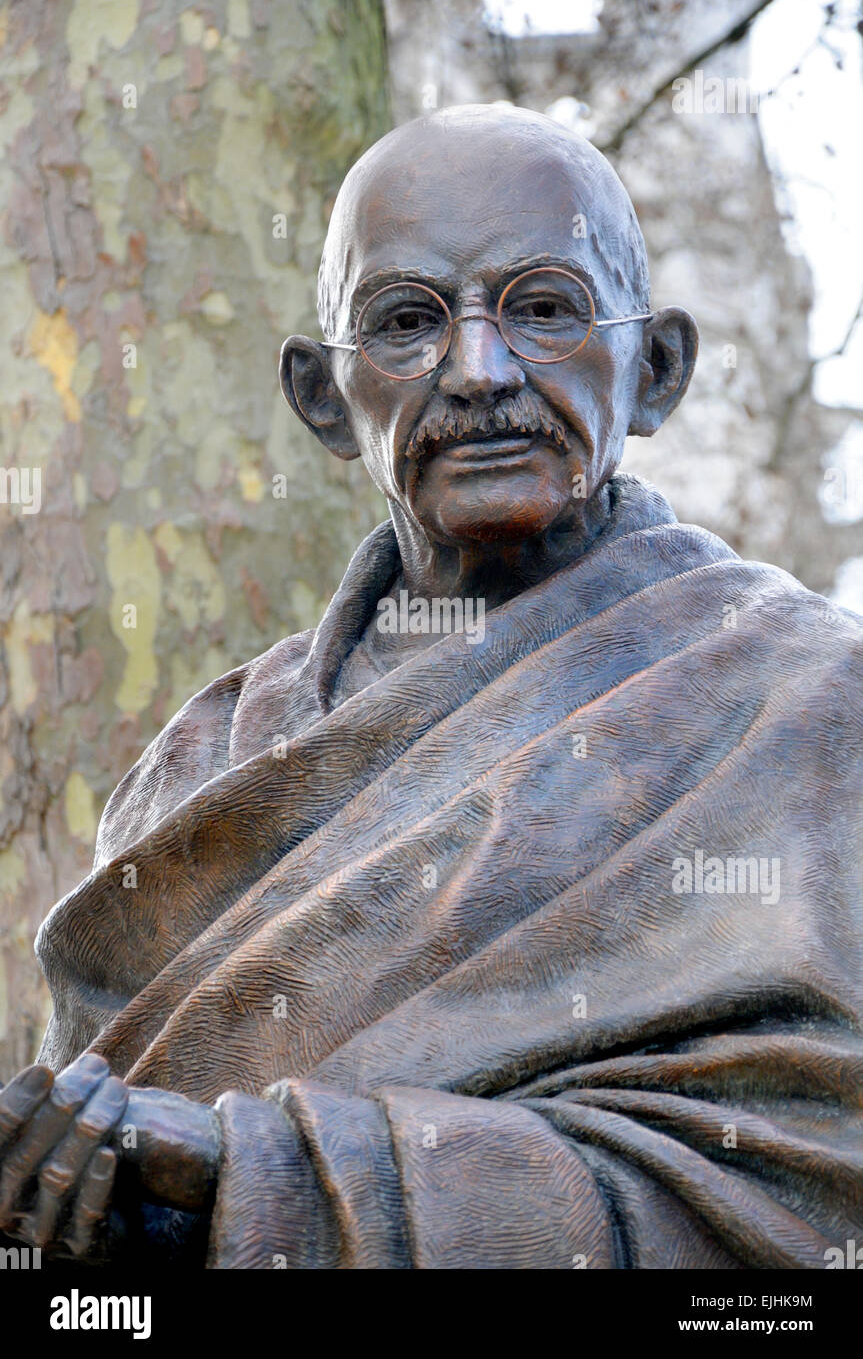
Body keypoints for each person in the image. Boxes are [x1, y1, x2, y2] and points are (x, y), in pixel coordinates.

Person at [2, 103, 861, 1269]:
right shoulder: (200, 761)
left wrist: (257, 1178)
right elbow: (68, 1194)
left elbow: (807, 1206)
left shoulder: (803, 696)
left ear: (654, 370)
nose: (476, 369)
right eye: (404, 324)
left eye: (543, 309)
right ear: (322, 400)